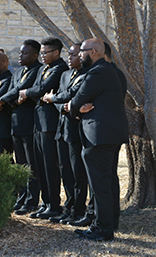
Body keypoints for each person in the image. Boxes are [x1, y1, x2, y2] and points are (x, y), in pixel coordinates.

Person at [70, 38, 128, 241]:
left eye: (82, 51)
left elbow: (77, 98)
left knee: (100, 184)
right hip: (112, 133)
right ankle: (110, 221)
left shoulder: (97, 71)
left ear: (93, 52)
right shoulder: (114, 72)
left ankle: (102, 229)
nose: (79, 55)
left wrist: (75, 108)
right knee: (109, 179)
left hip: (98, 135)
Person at [19, 37, 69, 219]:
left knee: (50, 166)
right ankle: (46, 202)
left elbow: (43, 88)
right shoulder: (43, 68)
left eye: (45, 53)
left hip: (50, 123)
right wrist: (35, 93)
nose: (42, 56)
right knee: (39, 165)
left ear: (56, 52)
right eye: (41, 53)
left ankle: (54, 205)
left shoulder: (60, 68)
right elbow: (37, 89)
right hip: (38, 121)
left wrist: (29, 93)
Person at [0, 39, 42, 215]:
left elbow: (22, 88)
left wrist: (3, 99)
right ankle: (21, 198)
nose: (20, 56)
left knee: (31, 165)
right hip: (15, 121)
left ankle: (31, 201)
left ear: (35, 55)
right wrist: (12, 98)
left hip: (29, 123)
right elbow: (14, 90)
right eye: (20, 53)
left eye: (25, 53)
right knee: (20, 164)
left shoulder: (37, 70)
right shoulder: (19, 71)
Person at [43, 43, 88, 224]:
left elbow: (76, 96)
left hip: (76, 131)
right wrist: (65, 107)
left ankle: (78, 209)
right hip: (62, 128)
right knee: (65, 172)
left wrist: (66, 103)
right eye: (69, 55)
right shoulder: (65, 75)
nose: (70, 58)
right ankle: (68, 208)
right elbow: (57, 97)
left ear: (82, 56)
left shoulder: (87, 75)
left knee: (78, 173)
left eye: (74, 55)